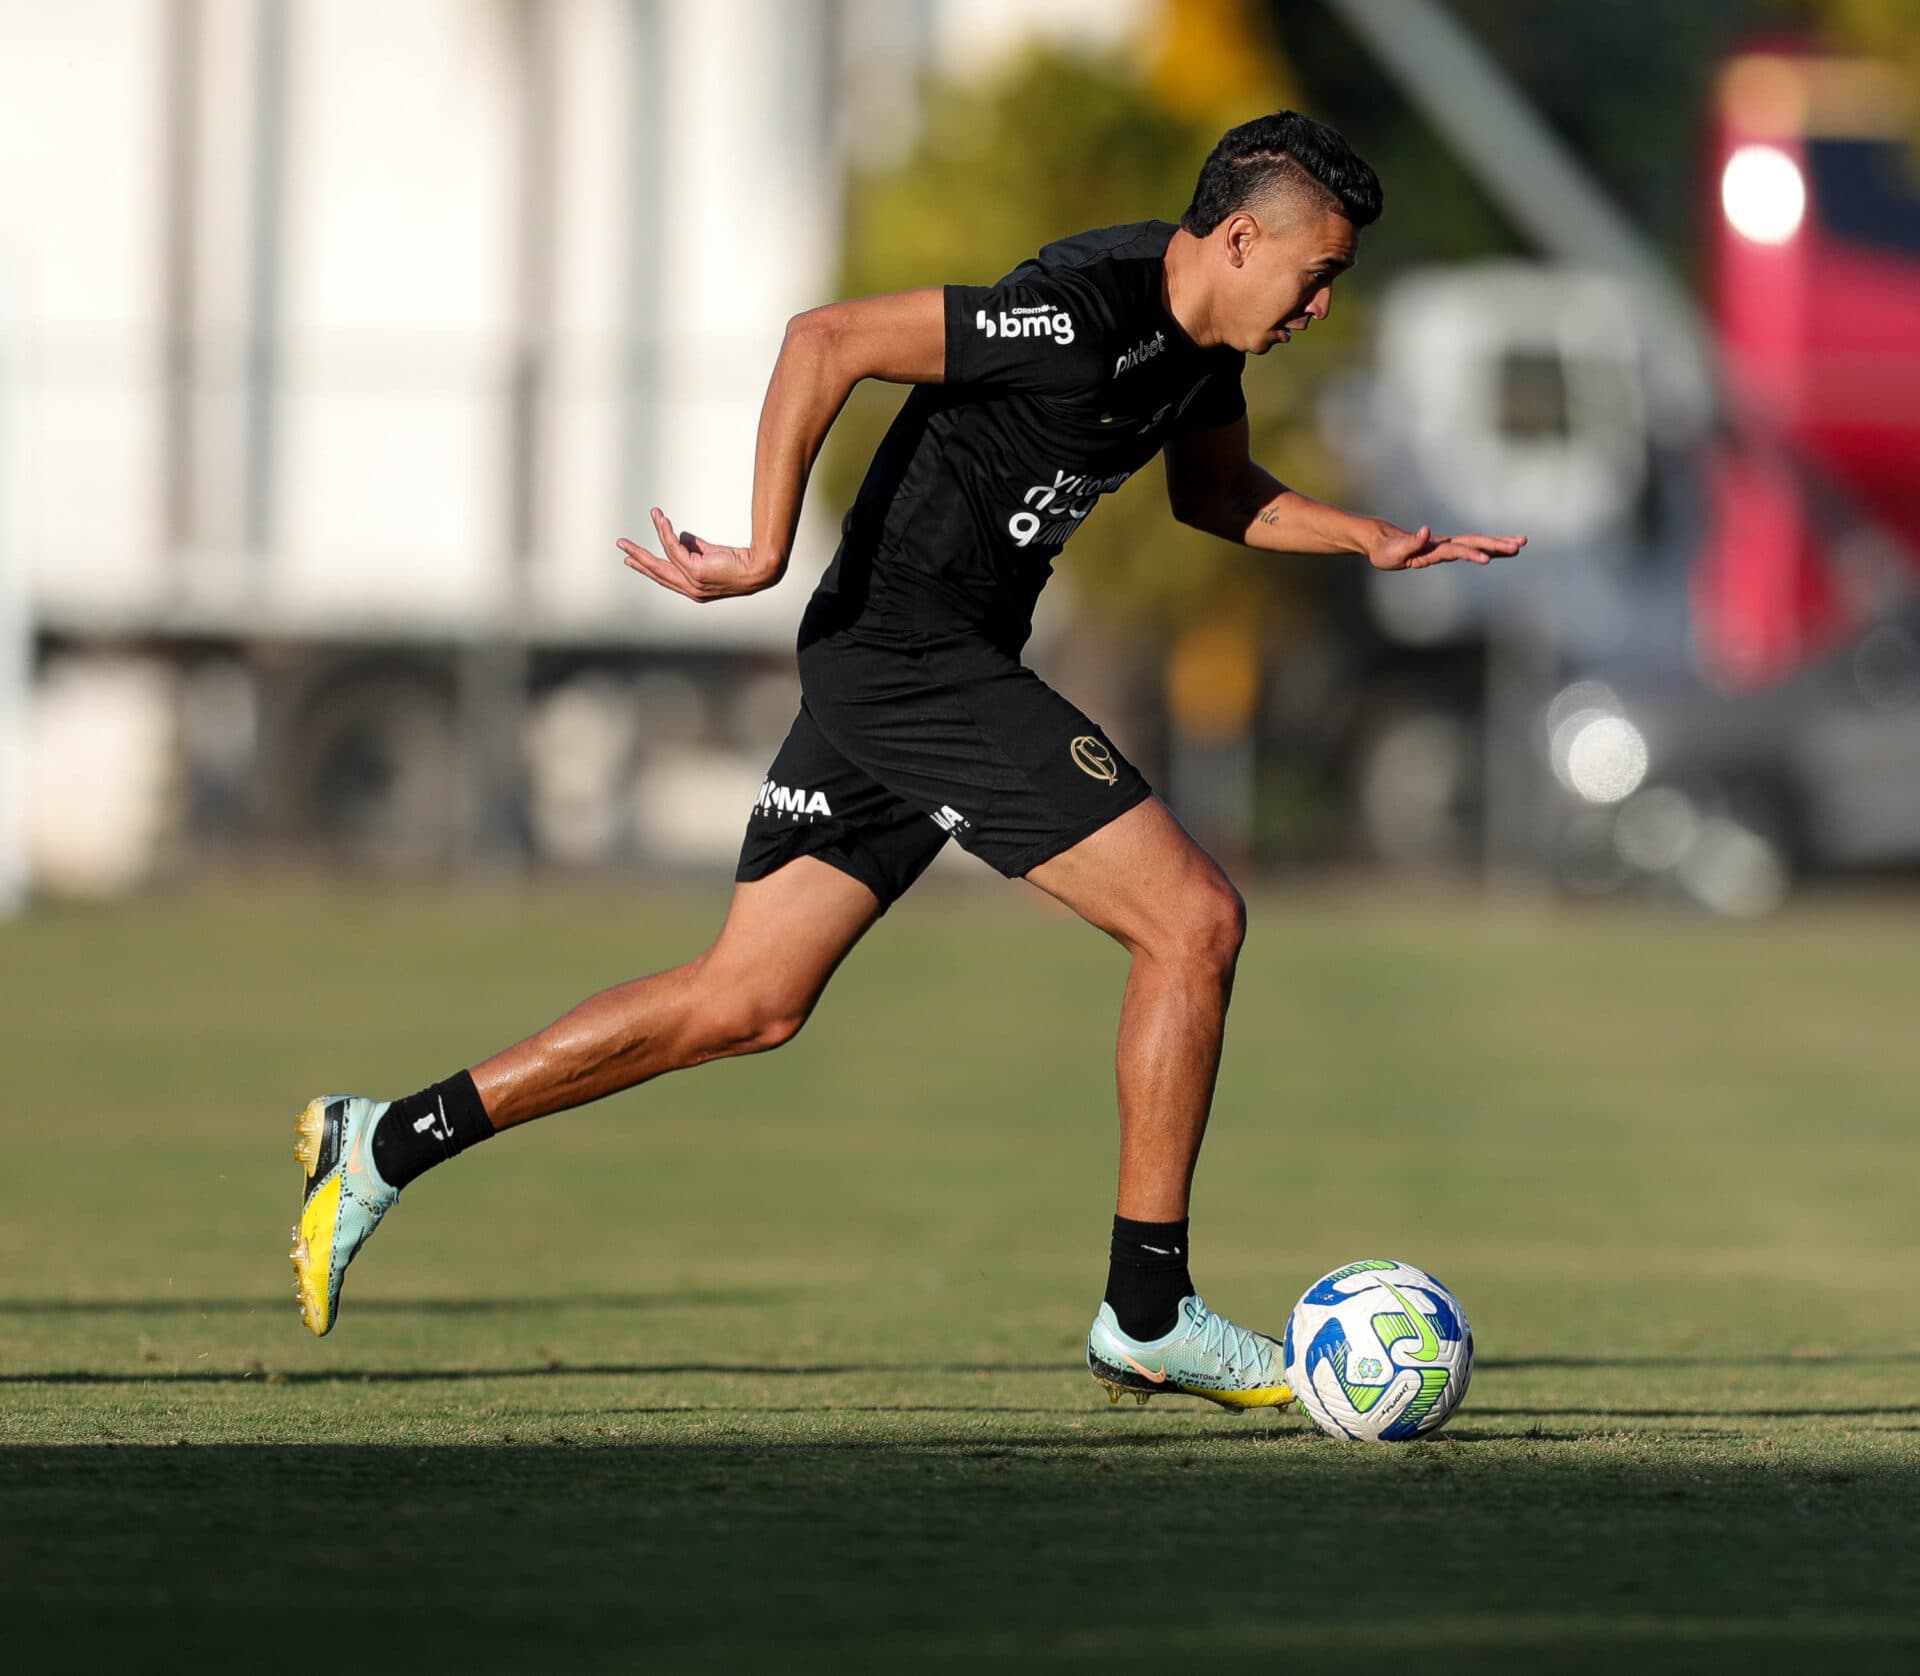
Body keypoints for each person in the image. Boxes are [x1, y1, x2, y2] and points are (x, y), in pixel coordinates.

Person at [288, 111, 1524, 1408]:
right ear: (1238, 236)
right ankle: (1147, 1308)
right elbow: (825, 341)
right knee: (1194, 922)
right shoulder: (1079, 319)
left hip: (911, 667)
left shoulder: (1202, 354)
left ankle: (381, 1143)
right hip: (911, 662)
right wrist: (764, 549)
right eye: (1317, 275)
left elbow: (1212, 498)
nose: (1322, 306)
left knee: (745, 1001)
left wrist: (1366, 537)